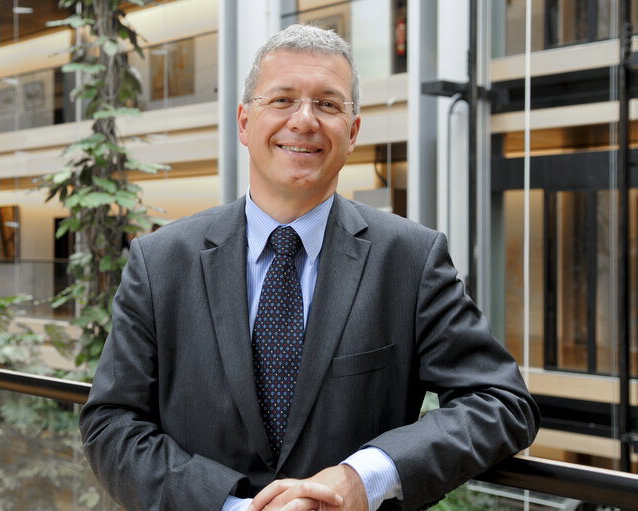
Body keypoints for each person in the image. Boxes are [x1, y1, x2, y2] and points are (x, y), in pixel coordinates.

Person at [79, 24, 539, 511]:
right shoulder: (159, 262)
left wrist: (364, 476)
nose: (304, 120)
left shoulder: (410, 258)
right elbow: (112, 422)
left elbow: (501, 402)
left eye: (328, 103)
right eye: (281, 100)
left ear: (353, 132)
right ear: (243, 122)